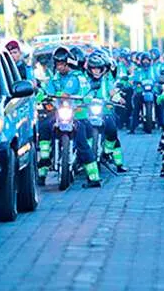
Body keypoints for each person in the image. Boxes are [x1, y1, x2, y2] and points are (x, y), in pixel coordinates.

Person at [38, 47, 101, 187]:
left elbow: (73, 93)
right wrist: (41, 96)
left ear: (69, 63)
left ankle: (94, 178)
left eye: (62, 64)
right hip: (59, 114)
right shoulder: (55, 78)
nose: (60, 67)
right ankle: (43, 168)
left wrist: (86, 98)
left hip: (78, 115)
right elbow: (47, 91)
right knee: (43, 127)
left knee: (82, 143)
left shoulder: (77, 77)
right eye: (57, 64)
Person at [85, 53, 127, 173]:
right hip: (87, 111)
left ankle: (114, 159)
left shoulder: (106, 80)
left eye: (98, 68)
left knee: (112, 130)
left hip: (105, 111)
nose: (96, 71)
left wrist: (119, 99)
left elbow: (112, 92)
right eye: (93, 68)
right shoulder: (84, 79)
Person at [130, 51, 160, 133]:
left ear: (150, 61)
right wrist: (135, 82)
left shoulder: (154, 70)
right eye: (144, 60)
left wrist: (159, 83)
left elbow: (158, 79)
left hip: (153, 91)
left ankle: (163, 124)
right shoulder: (138, 70)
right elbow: (133, 79)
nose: (146, 62)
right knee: (136, 107)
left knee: (160, 104)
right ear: (141, 61)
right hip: (140, 91)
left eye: (147, 60)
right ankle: (132, 127)